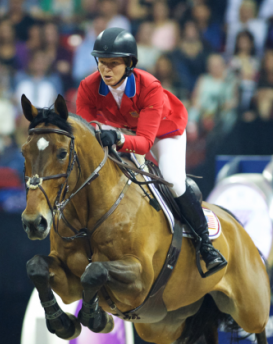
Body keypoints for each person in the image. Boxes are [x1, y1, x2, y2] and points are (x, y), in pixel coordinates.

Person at [76, 28, 227, 276]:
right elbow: (87, 129)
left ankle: (205, 246)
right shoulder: (88, 87)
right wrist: (104, 134)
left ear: (129, 64)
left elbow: (145, 143)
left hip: (164, 131)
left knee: (172, 180)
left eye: (113, 63)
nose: (105, 70)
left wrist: (116, 137)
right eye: (102, 62)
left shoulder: (149, 86)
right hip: (124, 129)